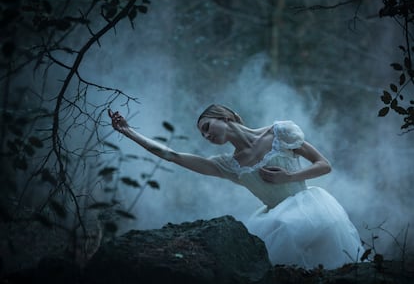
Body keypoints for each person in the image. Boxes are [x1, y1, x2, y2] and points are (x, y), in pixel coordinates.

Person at [108, 104, 362, 269]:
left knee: (329, 265)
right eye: (203, 135)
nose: (206, 135)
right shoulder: (229, 165)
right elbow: (172, 155)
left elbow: (324, 164)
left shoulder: (281, 132)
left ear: (224, 116)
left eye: (207, 127)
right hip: (277, 221)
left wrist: (288, 177)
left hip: (313, 208)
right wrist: (129, 131)